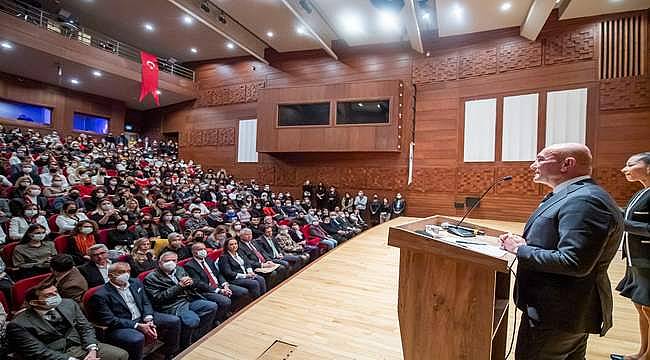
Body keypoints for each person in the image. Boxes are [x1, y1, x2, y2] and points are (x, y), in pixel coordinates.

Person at [498, 143, 624, 359]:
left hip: (559, 313)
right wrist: (526, 243)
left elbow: (573, 261)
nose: (532, 165)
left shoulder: (585, 201)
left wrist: (521, 250)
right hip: (564, 311)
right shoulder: (573, 195)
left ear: (567, 164)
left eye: (540, 159)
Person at [7, 283, 129, 360]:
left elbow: (85, 328)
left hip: (82, 346)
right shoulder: (19, 324)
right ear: (34, 302)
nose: (55, 296)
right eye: (49, 295)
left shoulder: (68, 304)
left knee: (121, 355)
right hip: (55, 353)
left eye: (56, 292)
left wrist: (92, 350)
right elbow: (38, 352)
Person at [87, 262, 181, 360]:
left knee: (174, 321)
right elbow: (110, 320)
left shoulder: (135, 282)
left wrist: (148, 318)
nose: (126, 274)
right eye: (122, 272)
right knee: (137, 338)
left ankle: (170, 353)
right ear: (110, 275)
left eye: (128, 271)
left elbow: (145, 302)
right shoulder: (100, 295)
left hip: (142, 316)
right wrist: (137, 326)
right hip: (122, 324)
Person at [612, 152, 650, 360]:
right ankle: (642, 352)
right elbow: (625, 214)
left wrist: (623, 223)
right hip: (636, 259)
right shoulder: (641, 192)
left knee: (648, 308)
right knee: (642, 307)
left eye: (630, 165)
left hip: (647, 260)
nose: (624, 169)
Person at [143, 251, 218, 349]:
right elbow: (158, 298)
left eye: (173, 260)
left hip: (188, 298)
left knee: (212, 306)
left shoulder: (179, 269)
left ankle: (197, 337)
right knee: (192, 320)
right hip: (172, 305)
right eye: (167, 260)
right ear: (160, 263)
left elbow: (190, 284)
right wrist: (179, 286)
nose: (171, 263)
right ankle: (185, 346)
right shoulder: (151, 278)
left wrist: (191, 283)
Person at [184, 242, 249, 316]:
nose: (203, 251)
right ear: (193, 252)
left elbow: (218, 274)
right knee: (226, 301)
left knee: (243, 291)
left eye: (204, 249)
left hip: (219, 285)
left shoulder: (208, 259)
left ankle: (231, 311)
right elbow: (199, 283)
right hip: (206, 290)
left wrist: (225, 285)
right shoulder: (190, 266)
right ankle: (219, 318)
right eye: (200, 249)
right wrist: (219, 290)